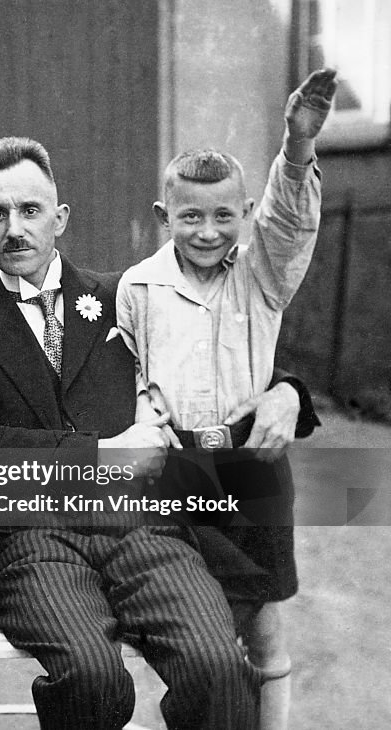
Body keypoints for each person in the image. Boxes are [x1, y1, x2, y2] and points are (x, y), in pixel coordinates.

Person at [0, 135, 314, 730]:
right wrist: (100, 452)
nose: (15, 229)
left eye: (30, 210)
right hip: (35, 539)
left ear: (60, 218)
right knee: (91, 674)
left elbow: (214, 357)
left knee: (217, 664)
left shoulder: (126, 293)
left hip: (144, 526)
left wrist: (286, 390)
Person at [116, 68, 337, 730]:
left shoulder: (261, 271)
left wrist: (297, 149)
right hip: (172, 469)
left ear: (243, 214)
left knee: (264, 628)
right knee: (160, 630)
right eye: (190, 216)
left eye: (222, 215)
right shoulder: (138, 287)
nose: (208, 231)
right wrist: (140, 425)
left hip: (252, 465)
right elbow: (125, 372)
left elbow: (290, 220)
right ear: (164, 217)